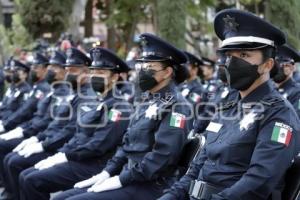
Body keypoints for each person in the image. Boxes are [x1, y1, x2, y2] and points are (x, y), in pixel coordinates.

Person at [159, 9, 300, 200]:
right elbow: (198, 165)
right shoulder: (227, 105)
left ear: (267, 65)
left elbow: (258, 182)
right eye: (229, 56)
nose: (232, 63)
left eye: (243, 55)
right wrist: (172, 195)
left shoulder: (279, 114)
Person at [52, 33, 193, 200]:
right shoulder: (148, 100)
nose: (142, 71)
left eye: (149, 67)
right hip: (130, 176)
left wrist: (121, 179)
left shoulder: (177, 106)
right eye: (142, 66)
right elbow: (127, 145)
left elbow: (162, 157)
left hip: (151, 185)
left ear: (167, 72)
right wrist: (108, 172)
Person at [18, 47, 132, 200]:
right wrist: (61, 153)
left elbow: (98, 145)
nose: (94, 76)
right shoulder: (99, 100)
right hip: (80, 158)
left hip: (94, 164)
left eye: (101, 73)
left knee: (32, 180)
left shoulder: (119, 107)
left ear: (115, 77)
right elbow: (79, 135)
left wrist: (66, 156)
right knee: (26, 176)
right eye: (93, 71)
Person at [272, 44, 300, 118]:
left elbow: (293, 121)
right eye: (274, 67)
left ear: (291, 67)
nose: (277, 70)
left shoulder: (297, 92)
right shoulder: (269, 89)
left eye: (285, 66)